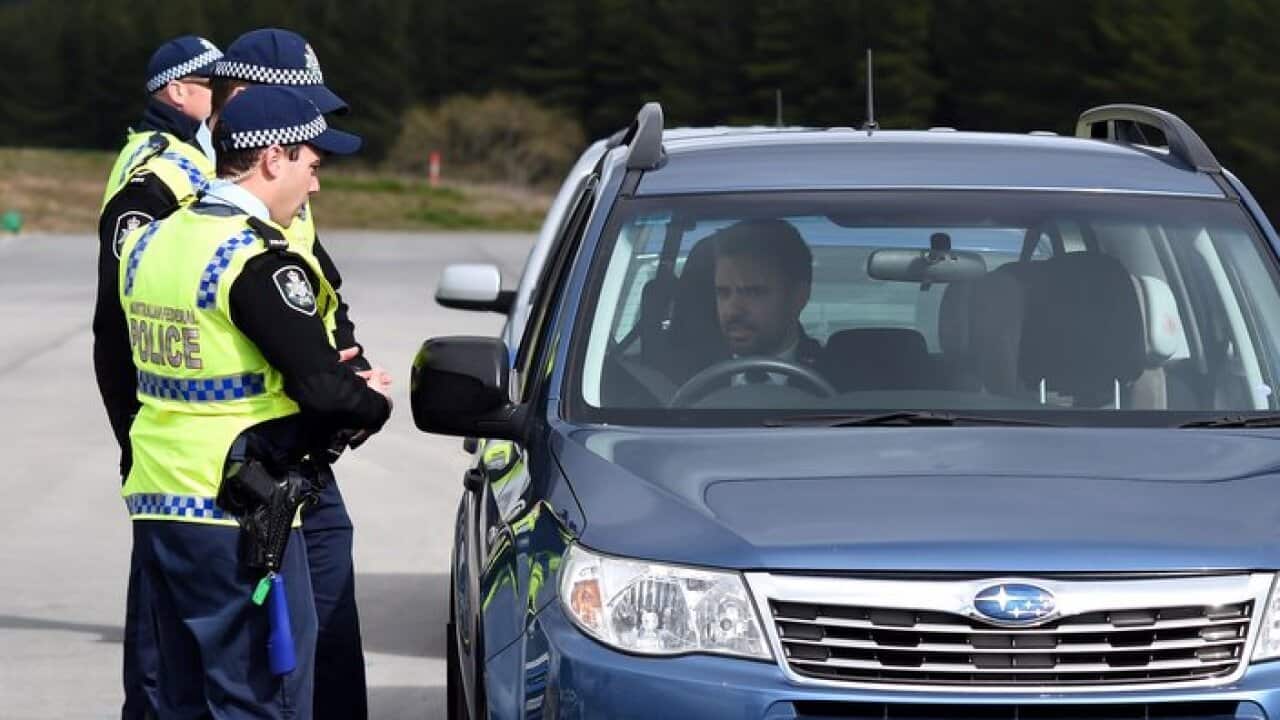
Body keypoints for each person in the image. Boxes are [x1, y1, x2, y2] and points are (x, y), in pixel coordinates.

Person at [118, 85, 391, 718]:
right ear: (273, 159)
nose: (315, 186)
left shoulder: (149, 244)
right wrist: (367, 400)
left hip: (159, 499)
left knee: (181, 695)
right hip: (240, 510)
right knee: (262, 698)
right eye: (311, 165)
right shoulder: (256, 261)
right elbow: (326, 394)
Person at [210, 28, 374, 719]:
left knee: (327, 634)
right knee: (263, 670)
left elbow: (315, 294)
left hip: (301, 447)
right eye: (302, 108)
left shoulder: (280, 185)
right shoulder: (206, 196)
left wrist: (348, 359)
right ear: (250, 98)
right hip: (244, 468)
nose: (317, 151)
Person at [92, 34, 222, 719]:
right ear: (175, 90)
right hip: (157, 403)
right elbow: (122, 310)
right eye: (208, 82)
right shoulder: (158, 163)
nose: (219, 93)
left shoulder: (187, 149)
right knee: (156, 594)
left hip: (168, 407)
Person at [711, 218, 821, 383]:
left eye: (753, 292)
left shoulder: (842, 378)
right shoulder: (680, 372)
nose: (732, 310)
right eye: (723, 293)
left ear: (798, 297)